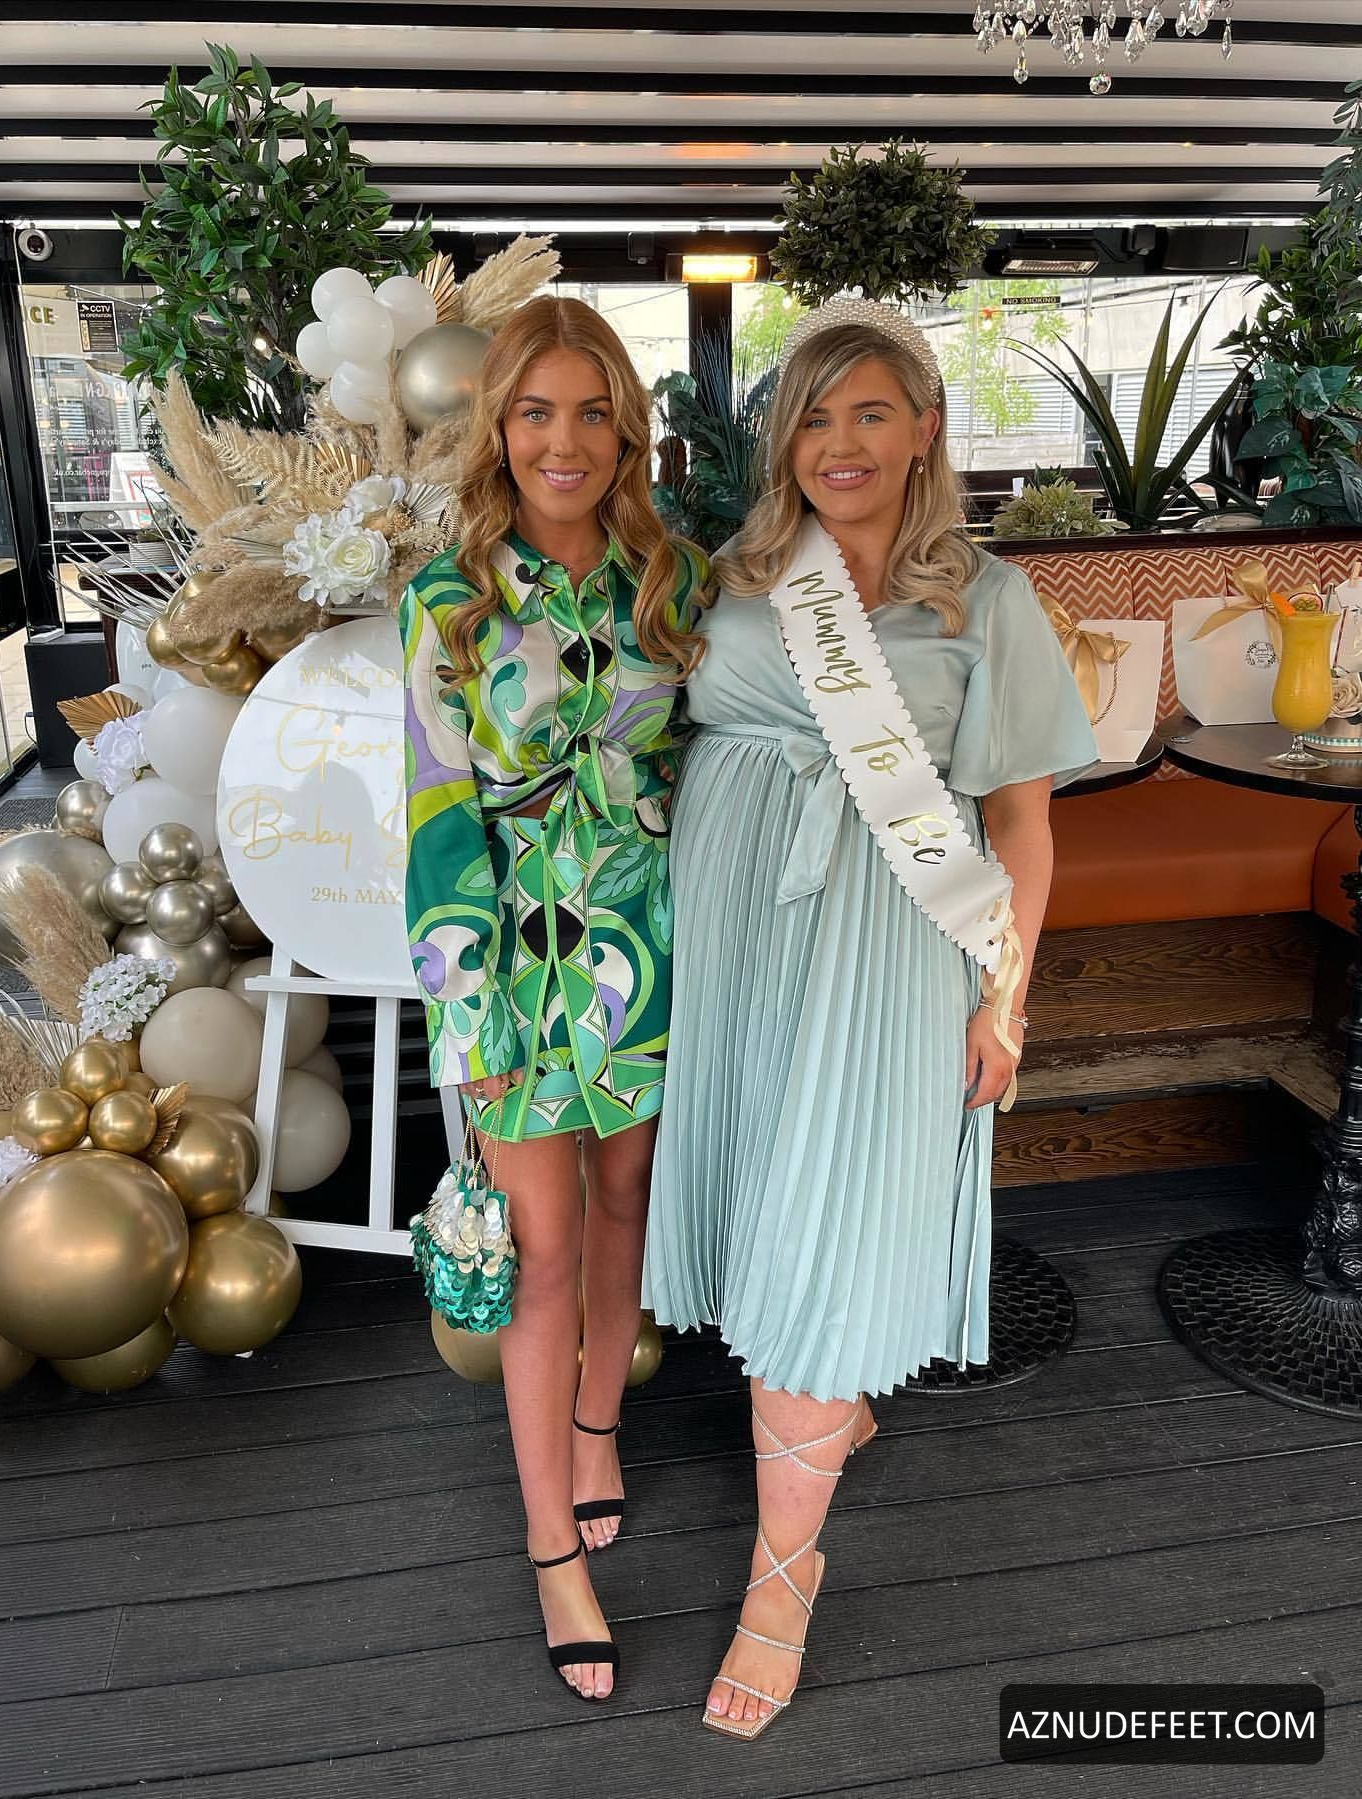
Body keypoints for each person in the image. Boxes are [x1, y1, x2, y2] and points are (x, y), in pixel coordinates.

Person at [643, 297, 1097, 1740]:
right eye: (815, 418)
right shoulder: (733, 575)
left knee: (832, 1209)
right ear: (785, 440)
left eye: (872, 414)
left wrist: (1005, 1001)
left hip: (892, 944)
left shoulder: (987, 599)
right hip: (733, 941)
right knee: (765, 1192)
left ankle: (783, 1578)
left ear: (925, 431)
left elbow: (1020, 824)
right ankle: (823, 1393)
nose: (840, 444)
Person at [401, 295, 707, 1704]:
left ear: (626, 430)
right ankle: (550, 1549)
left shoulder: (673, 582)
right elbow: (435, 814)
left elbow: (709, 770)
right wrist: (465, 1015)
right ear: (499, 428)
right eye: (536, 412)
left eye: (592, 412)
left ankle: (598, 1429)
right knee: (541, 1257)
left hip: (648, 947)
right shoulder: (447, 599)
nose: (564, 441)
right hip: (514, 960)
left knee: (628, 1202)